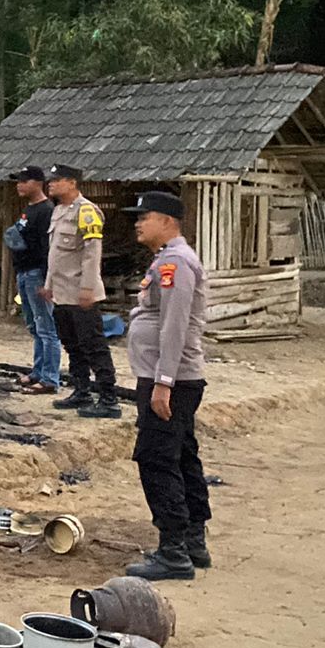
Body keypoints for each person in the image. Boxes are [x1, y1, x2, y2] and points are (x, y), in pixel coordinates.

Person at [122, 190, 211, 581]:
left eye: (146, 216)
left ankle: (173, 551)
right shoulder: (167, 259)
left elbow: (174, 326)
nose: (138, 222)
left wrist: (163, 382)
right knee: (182, 453)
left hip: (170, 380)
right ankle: (193, 541)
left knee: (157, 458)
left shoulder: (175, 261)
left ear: (168, 222)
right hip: (172, 377)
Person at [42, 164, 120, 419]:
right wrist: (48, 286)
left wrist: (87, 287)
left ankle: (109, 399)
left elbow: (91, 253)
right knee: (72, 345)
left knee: (93, 345)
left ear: (72, 182)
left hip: (81, 293)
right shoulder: (59, 211)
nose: (50, 184)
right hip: (62, 293)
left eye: (56, 180)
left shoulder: (86, 211)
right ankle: (82, 390)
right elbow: (55, 255)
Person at [6, 166, 60, 394]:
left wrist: (47, 281)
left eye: (24, 180)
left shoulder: (46, 210)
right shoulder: (29, 209)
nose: (19, 184)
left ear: (38, 183)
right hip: (23, 272)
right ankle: (38, 371)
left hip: (37, 273)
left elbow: (48, 248)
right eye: (18, 180)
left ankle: (50, 379)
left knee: (47, 328)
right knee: (34, 326)